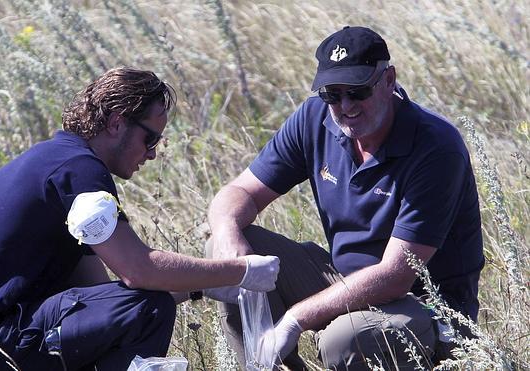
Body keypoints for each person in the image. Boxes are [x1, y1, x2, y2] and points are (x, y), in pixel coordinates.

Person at [0, 67, 280, 371]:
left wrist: (203, 285)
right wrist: (241, 271)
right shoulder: (78, 170)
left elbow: (100, 294)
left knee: (136, 305)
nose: (154, 153)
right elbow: (137, 271)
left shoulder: (57, 162)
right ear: (116, 122)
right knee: (147, 309)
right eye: (150, 138)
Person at [206, 26, 484, 370]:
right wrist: (227, 234)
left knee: (346, 340)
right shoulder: (314, 119)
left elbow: (397, 274)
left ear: (388, 80)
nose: (345, 106)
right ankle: (260, 364)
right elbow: (239, 193)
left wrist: (295, 319)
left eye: (357, 91)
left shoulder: (435, 147)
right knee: (232, 251)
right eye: (332, 94)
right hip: (343, 279)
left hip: (424, 303)